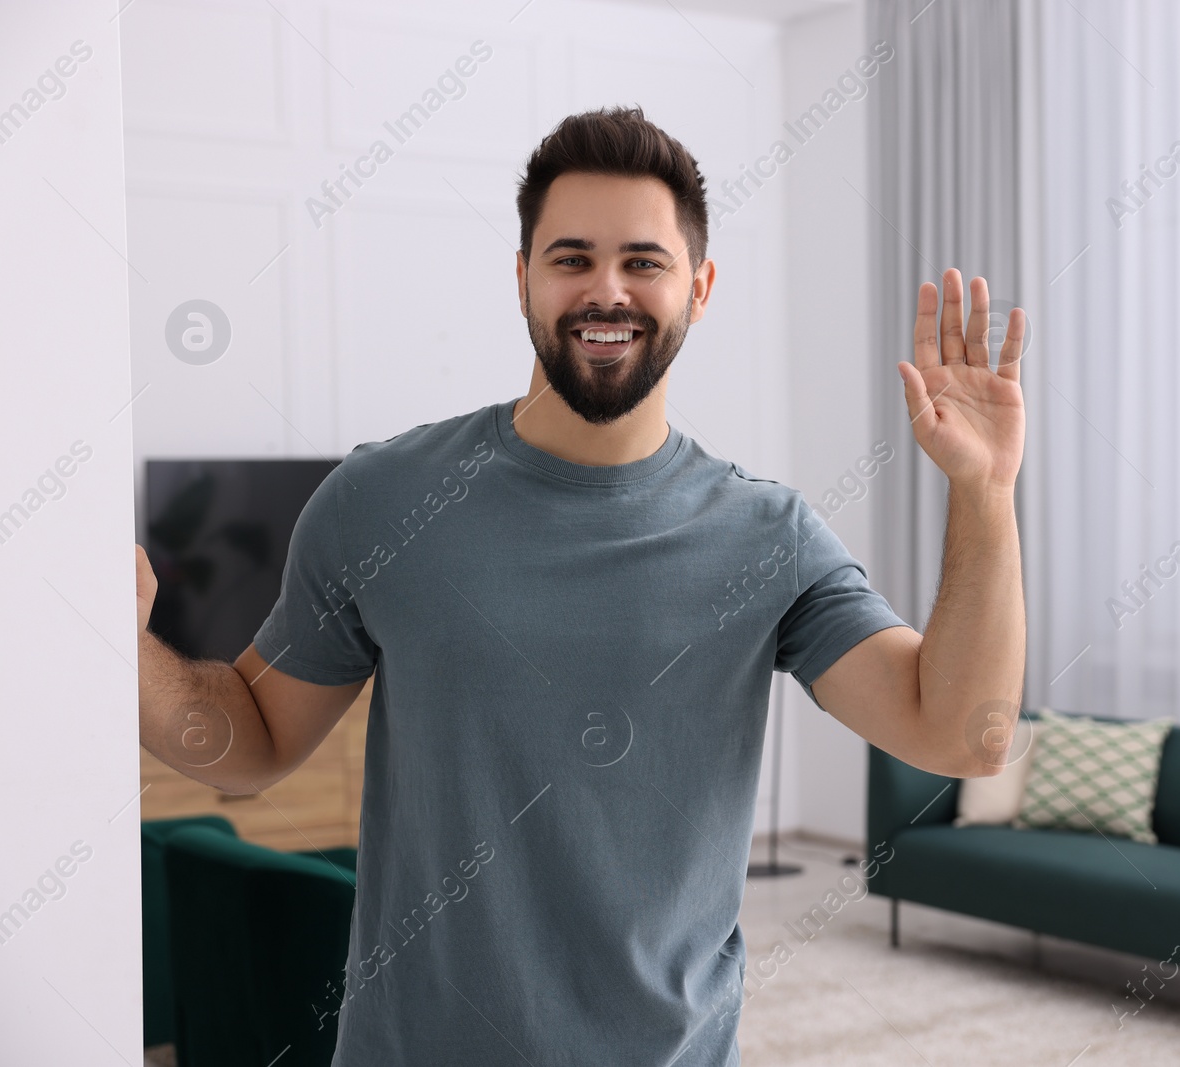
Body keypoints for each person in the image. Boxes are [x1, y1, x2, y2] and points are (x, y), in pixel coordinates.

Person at [135, 105, 1026, 1066]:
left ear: (701, 287)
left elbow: (960, 735)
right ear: (522, 278)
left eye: (644, 261)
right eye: (571, 258)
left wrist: (983, 494)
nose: (608, 289)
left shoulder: (770, 539)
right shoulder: (380, 500)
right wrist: (122, 649)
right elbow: (252, 746)